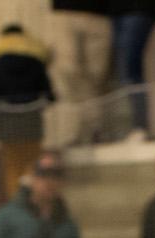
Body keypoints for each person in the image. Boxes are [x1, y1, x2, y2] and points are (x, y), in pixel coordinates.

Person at [0, 23, 58, 198]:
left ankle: (17, 204)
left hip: (7, 128)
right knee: (33, 168)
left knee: (12, 171)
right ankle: (35, 204)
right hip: (32, 126)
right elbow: (50, 96)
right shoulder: (37, 63)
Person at [48, 0, 114, 146]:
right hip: (65, 12)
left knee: (97, 75)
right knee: (69, 73)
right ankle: (76, 131)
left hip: (100, 15)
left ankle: (95, 128)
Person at [109, 0, 155, 139]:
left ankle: (140, 126)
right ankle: (134, 127)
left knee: (130, 70)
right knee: (124, 71)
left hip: (138, 9)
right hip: (116, 11)